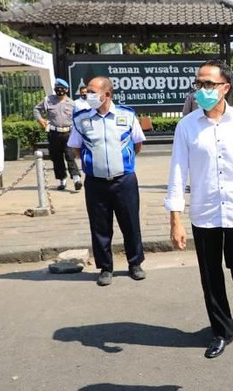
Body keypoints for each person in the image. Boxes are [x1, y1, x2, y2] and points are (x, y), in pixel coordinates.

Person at [165, 59, 233, 359]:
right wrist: (175, 218)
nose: (202, 89)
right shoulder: (186, 127)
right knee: (211, 277)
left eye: (209, 84)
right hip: (204, 212)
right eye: (199, 84)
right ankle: (221, 331)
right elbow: (177, 172)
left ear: (225, 88)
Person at [68, 76, 147, 286]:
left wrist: (121, 161)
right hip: (95, 182)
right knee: (100, 226)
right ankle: (105, 267)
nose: (87, 96)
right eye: (86, 92)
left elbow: (137, 144)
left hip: (124, 180)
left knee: (130, 223)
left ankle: (135, 263)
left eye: (92, 92)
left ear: (107, 94)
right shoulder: (81, 118)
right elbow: (76, 148)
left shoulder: (127, 115)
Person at [34, 78, 82, 191]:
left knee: (70, 155)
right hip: (54, 133)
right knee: (57, 157)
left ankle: (76, 179)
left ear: (66, 90)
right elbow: (36, 109)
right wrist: (40, 120)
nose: (59, 90)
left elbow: (77, 118)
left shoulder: (72, 103)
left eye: (62, 89)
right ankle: (62, 180)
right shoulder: (48, 100)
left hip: (68, 133)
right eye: (57, 88)